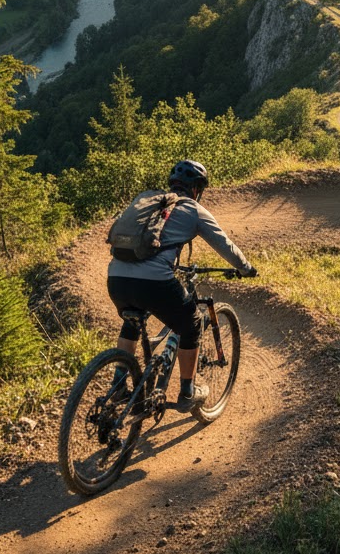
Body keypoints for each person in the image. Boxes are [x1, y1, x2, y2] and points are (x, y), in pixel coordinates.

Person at [106, 159, 256, 411]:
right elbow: (225, 245)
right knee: (192, 324)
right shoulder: (193, 209)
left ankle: (119, 383)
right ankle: (187, 392)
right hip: (155, 283)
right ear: (197, 189)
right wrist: (246, 268)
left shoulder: (146, 200)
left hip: (117, 279)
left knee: (132, 320)